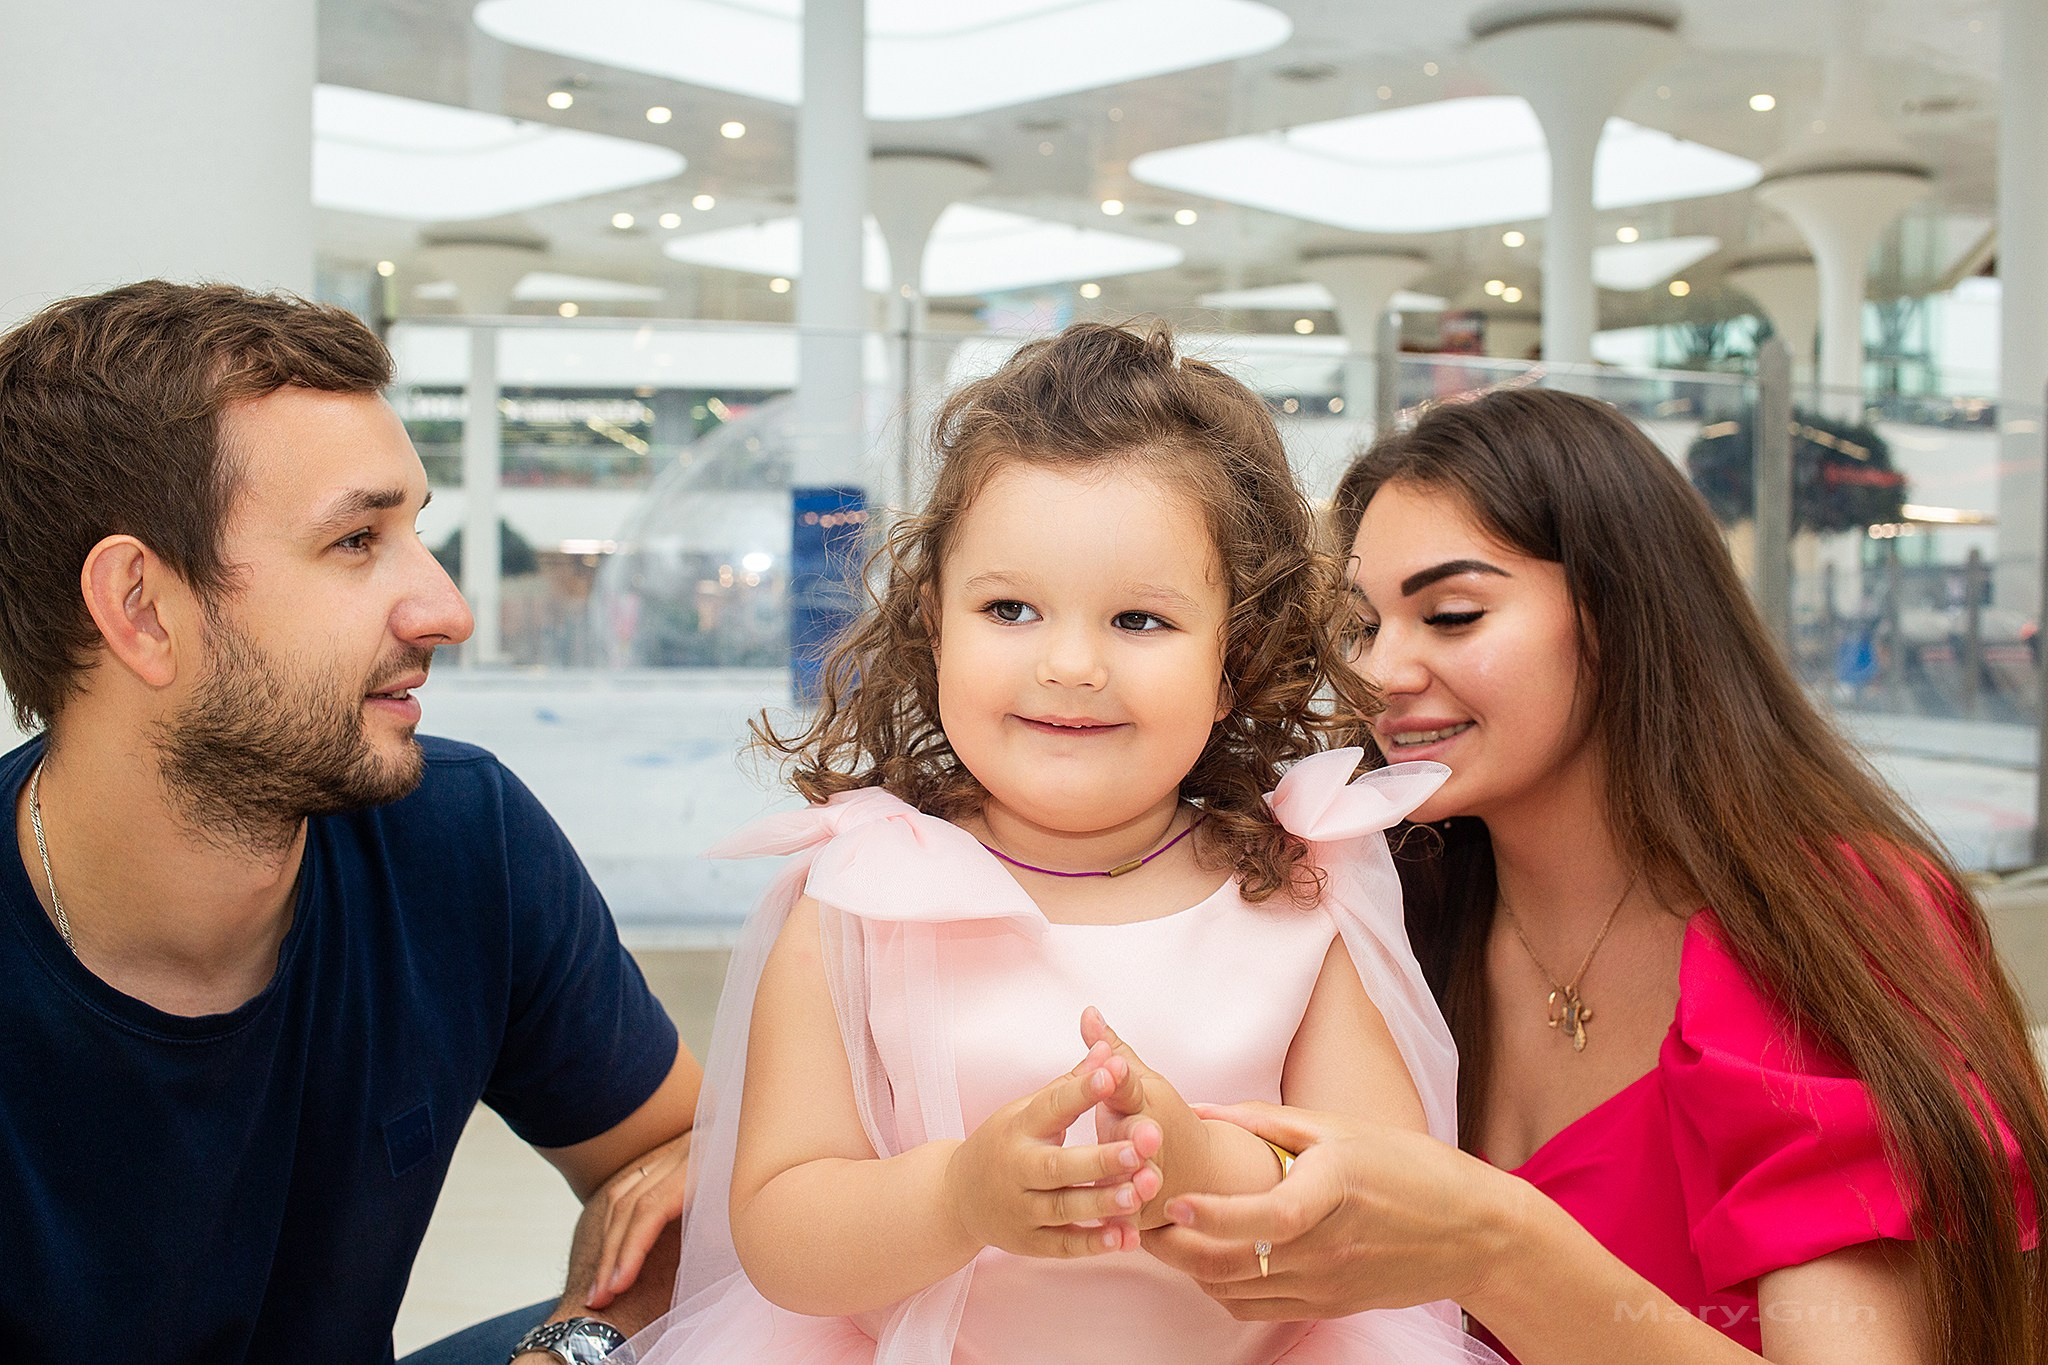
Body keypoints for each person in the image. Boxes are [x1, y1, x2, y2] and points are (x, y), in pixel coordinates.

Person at [625, 322, 1504, 1364]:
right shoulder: (857, 892)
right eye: (1009, 608)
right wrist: (956, 1200)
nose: (1071, 664)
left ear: (1235, 656)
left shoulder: (1301, 885)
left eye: (1138, 621)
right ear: (932, 623)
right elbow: (780, 1234)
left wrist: (1196, 1167)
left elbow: (1383, 1207)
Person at [1145, 387, 2048, 1365]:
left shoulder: (1817, 923)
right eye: (1361, 628)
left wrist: (1497, 1248)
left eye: (1450, 615)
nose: (1382, 671)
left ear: (1621, 613)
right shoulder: (1386, 908)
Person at [0, 282, 701, 1364]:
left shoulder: (460, 836)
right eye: (356, 541)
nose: (447, 611)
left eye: (412, 530)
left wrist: (579, 1345)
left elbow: (687, 1164)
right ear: (140, 608)